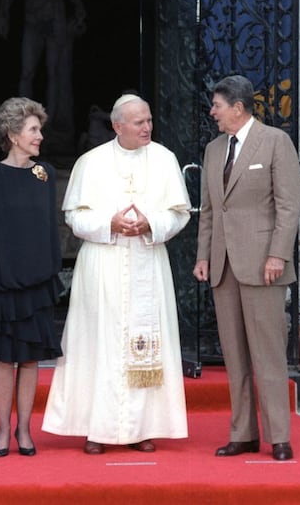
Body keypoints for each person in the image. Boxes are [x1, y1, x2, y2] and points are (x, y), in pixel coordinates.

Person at [42, 93, 191, 454]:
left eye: (149, 120)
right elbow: (74, 217)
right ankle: (98, 428)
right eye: (139, 122)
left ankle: (143, 428)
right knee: (100, 344)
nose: (147, 128)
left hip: (147, 259)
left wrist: (151, 223)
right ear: (117, 125)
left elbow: (179, 213)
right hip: (102, 266)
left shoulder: (164, 159)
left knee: (144, 344)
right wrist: (108, 223)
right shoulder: (90, 162)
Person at [193, 75, 300, 461]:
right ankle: (243, 433)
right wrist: (203, 256)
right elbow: (209, 210)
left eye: (217, 106)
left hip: (263, 266)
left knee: (268, 353)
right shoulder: (212, 149)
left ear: (237, 108)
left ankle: (279, 437)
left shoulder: (275, 142)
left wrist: (278, 255)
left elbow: (288, 206)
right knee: (235, 356)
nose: (213, 112)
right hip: (223, 266)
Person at [0, 97, 63, 457]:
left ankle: (24, 430)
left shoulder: (46, 173)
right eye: (33, 130)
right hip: (2, 282)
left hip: (37, 282)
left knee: (30, 359)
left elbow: (49, 229)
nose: (39, 136)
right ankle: (1, 431)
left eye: (39, 129)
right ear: (13, 135)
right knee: (2, 359)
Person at [0, 0, 86, 144]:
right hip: (33, 19)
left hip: (55, 19)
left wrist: (79, 10)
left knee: (54, 73)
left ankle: (50, 125)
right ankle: (22, 120)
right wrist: (3, 13)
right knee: (28, 72)